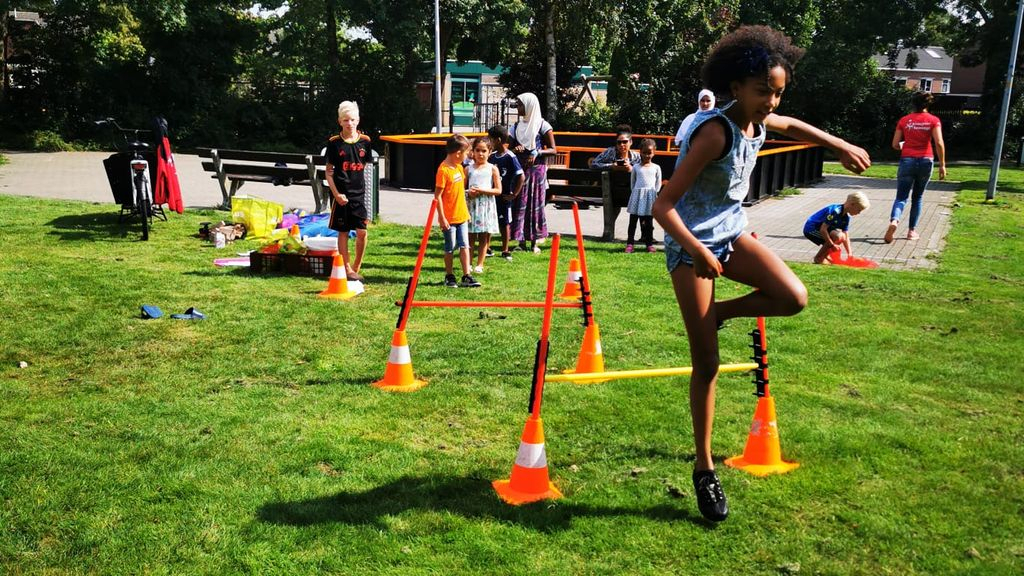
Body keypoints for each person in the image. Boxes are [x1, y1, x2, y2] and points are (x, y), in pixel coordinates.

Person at [651, 25, 871, 522]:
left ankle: (721, 312)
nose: (771, 101)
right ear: (735, 88)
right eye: (762, 91)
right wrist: (696, 251)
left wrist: (837, 143)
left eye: (777, 92)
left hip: (732, 236)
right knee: (706, 365)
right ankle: (705, 469)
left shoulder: (758, 122)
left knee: (793, 296)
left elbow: (793, 125)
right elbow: (664, 206)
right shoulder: (714, 131)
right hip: (692, 247)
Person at [885, 91, 946, 243]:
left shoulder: (904, 120)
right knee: (917, 197)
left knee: (901, 197)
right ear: (928, 103)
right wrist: (942, 165)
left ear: (913, 103)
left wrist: (906, 144)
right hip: (926, 160)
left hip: (907, 160)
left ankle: (894, 221)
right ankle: (911, 231)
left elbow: (894, 145)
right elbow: (938, 143)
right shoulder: (933, 120)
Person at [325, 101, 373, 281]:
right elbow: (328, 173)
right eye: (345, 120)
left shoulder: (365, 142)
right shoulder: (334, 143)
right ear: (340, 121)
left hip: (358, 195)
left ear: (358, 120)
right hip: (341, 195)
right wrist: (337, 195)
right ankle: (346, 268)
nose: (349, 123)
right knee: (343, 231)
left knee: (362, 231)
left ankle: (356, 266)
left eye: (352, 120)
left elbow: (365, 167)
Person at [509, 92, 556, 253]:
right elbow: (508, 147)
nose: (518, 107)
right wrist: (515, 148)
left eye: (521, 104)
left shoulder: (542, 125)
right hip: (520, 170)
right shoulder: (515, 127)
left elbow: (553, 149)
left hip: (537, 171)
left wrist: (537, 152)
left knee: (536, 204)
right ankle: (520, 241)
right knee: (520, 204)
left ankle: (534, 241)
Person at [434, 134, 481, 288]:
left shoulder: (459, 168)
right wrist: (442, 218)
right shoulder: (443, 170)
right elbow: (437, 197)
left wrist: (466, 208)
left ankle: (466, 275)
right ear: (458, 153)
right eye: (467, 153)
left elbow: (459, 192)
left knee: (465, 246)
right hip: (449, 218)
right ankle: (449, 275)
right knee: (450, 247)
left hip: (461, 216)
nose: (469, 156)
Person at [487, 125, 525, 261]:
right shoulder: (491, 157)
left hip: (504, 196)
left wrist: (514, 194)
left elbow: (521, 176)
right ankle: (487, 247)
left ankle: (505, 249)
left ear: (497, 140)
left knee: (504, 223)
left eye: (490, 139)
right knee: (490, 221)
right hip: (492, 195)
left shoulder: (510, 156)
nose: (489, 142)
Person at [466, 137, 502, 274]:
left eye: (484, 151)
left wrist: (482, 191)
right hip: (471, 206)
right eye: (478, 150)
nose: (480, 154)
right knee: (470, 237)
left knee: (483, 237)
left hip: (486, 207)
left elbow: (498, 190)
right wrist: (469, 193)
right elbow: (463, 189)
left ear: (490, 152)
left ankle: (480, 264)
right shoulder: (468, 169)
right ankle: (468, 262)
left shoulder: (492, 169)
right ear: (473, 152)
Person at [803, 191, 870, 264]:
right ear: (852, 204)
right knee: (837, 236)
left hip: (822, 229)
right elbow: (823, 230)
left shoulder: (846, 217)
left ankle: (825, 256)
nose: (859, 213)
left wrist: (849, 254)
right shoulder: (835, 212)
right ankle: (819, 258)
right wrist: (832, 245)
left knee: (842, 236)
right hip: (811, 229)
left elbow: (846, 236)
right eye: (859, 210)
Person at [626, 138, 662, 253]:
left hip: (649, 197)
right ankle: (630, 243)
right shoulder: (636, 167)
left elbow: (658, 183)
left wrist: (653, 193)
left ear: (654, 153)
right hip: (637, 196)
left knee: (648, 222)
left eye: (649, 153)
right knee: (633, 222)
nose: (647, 155)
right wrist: (636, 192)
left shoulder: (656, 167)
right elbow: (633, 182)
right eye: (644, 152)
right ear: (640, 152)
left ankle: (649, 244)